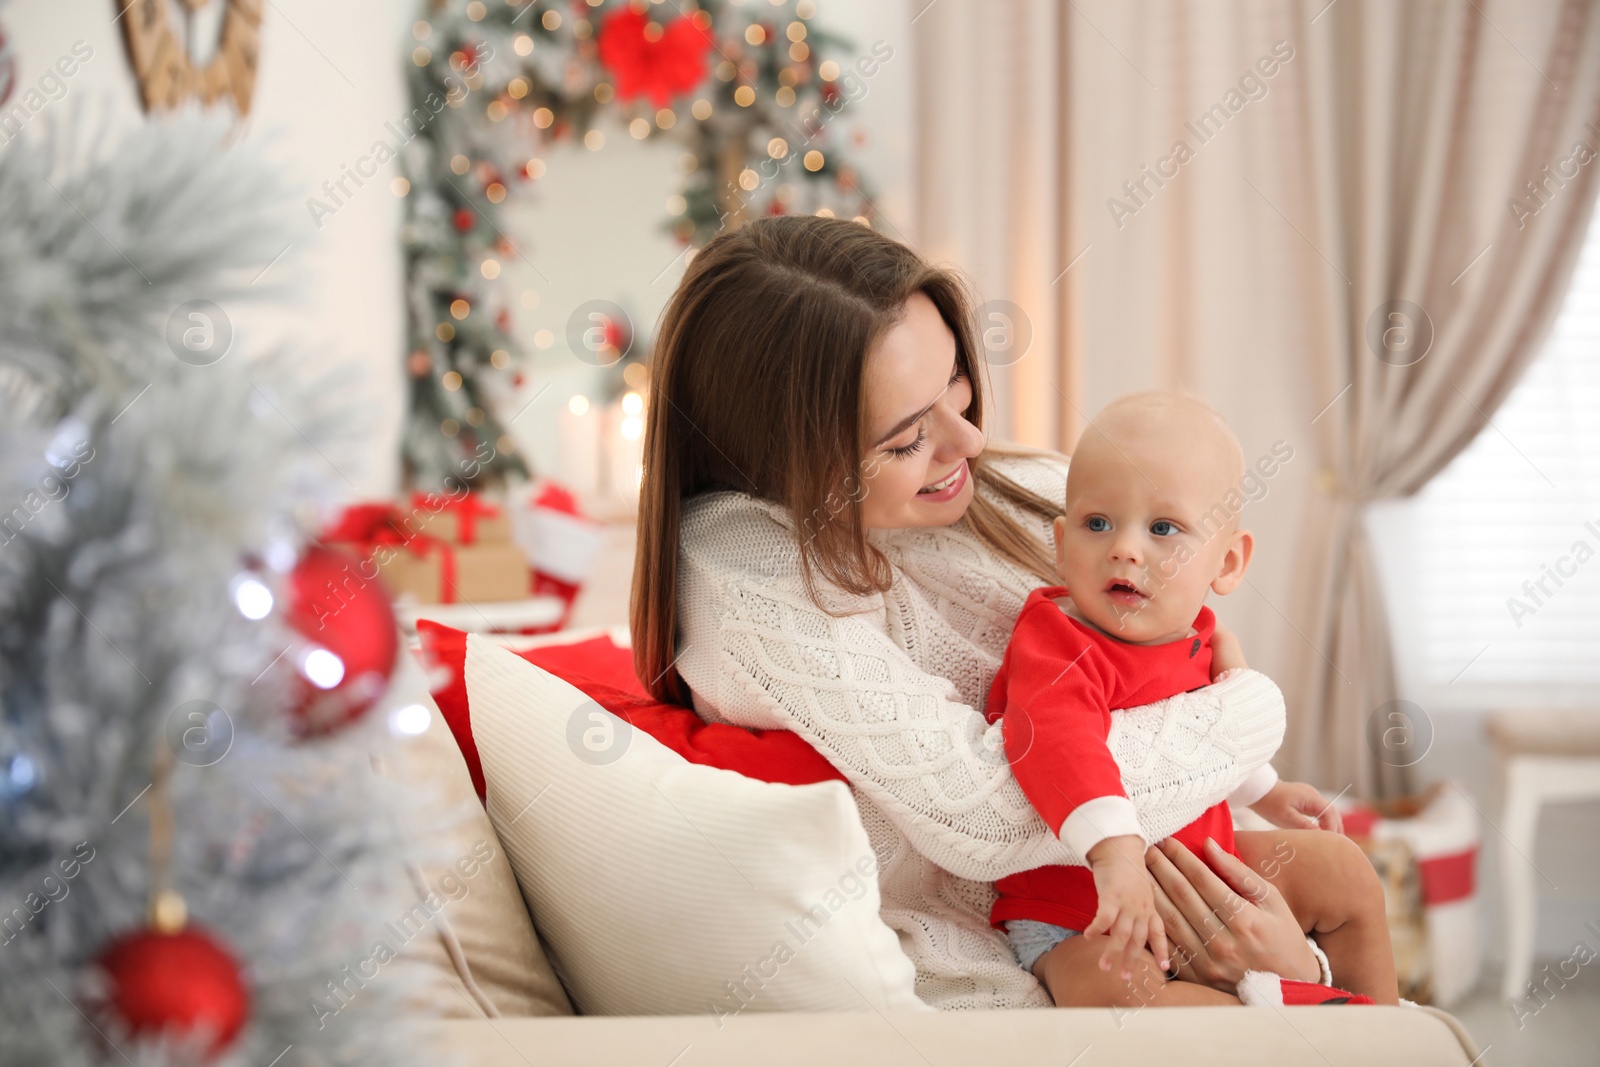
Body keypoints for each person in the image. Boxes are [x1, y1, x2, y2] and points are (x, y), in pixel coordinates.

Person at [630, 215, 1375, 1010]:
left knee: (1347, 876)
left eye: (953, 380)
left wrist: (1293, 943)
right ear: (787, 459)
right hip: (1030, 933)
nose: (971, 439)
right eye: (907, 436)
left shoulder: (1031, 491)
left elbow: (1174, 640)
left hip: (1164, 862)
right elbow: (985, 812)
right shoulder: (747, 569)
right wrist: (1250, 715)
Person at [985, 392, 1399, 1007]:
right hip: (1079, 909)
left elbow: (1201, 726)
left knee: (1345, 869)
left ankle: (1382, 1031)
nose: (1126, 548)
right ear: (1061, 544)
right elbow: (1055, 737)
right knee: (1132, 1004)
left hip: (1196, 863)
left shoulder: (1195, 631)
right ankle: (1291, 1019)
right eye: (1097, 524)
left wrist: (1262, 789)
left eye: (1163, 529)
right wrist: (1115, 854)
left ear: (1226, 562)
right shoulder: (1056, 640)